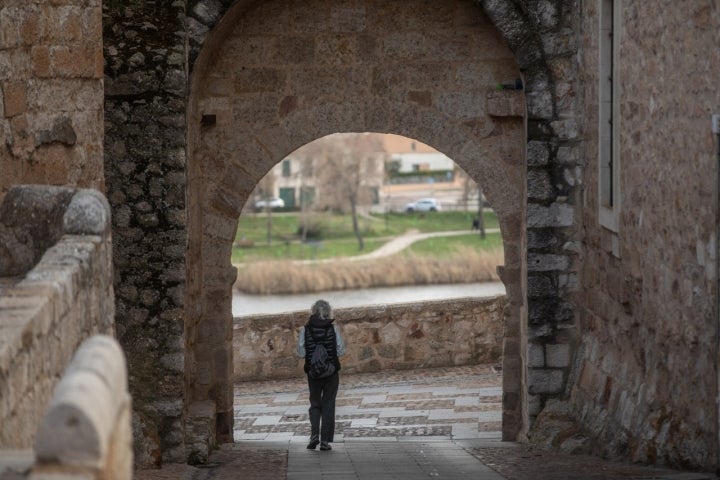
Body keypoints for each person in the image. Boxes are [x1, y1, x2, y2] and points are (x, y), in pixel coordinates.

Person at [296, 299, 346, 451]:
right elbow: (341, 350)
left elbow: (301, 352)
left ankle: (313, 436)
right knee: (328, 404)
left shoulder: (305, 330)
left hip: (313, 373)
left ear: (313, 311)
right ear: (328, 311)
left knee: (315, 404)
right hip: (331, 372)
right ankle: (325, 441)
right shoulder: (333, 329)